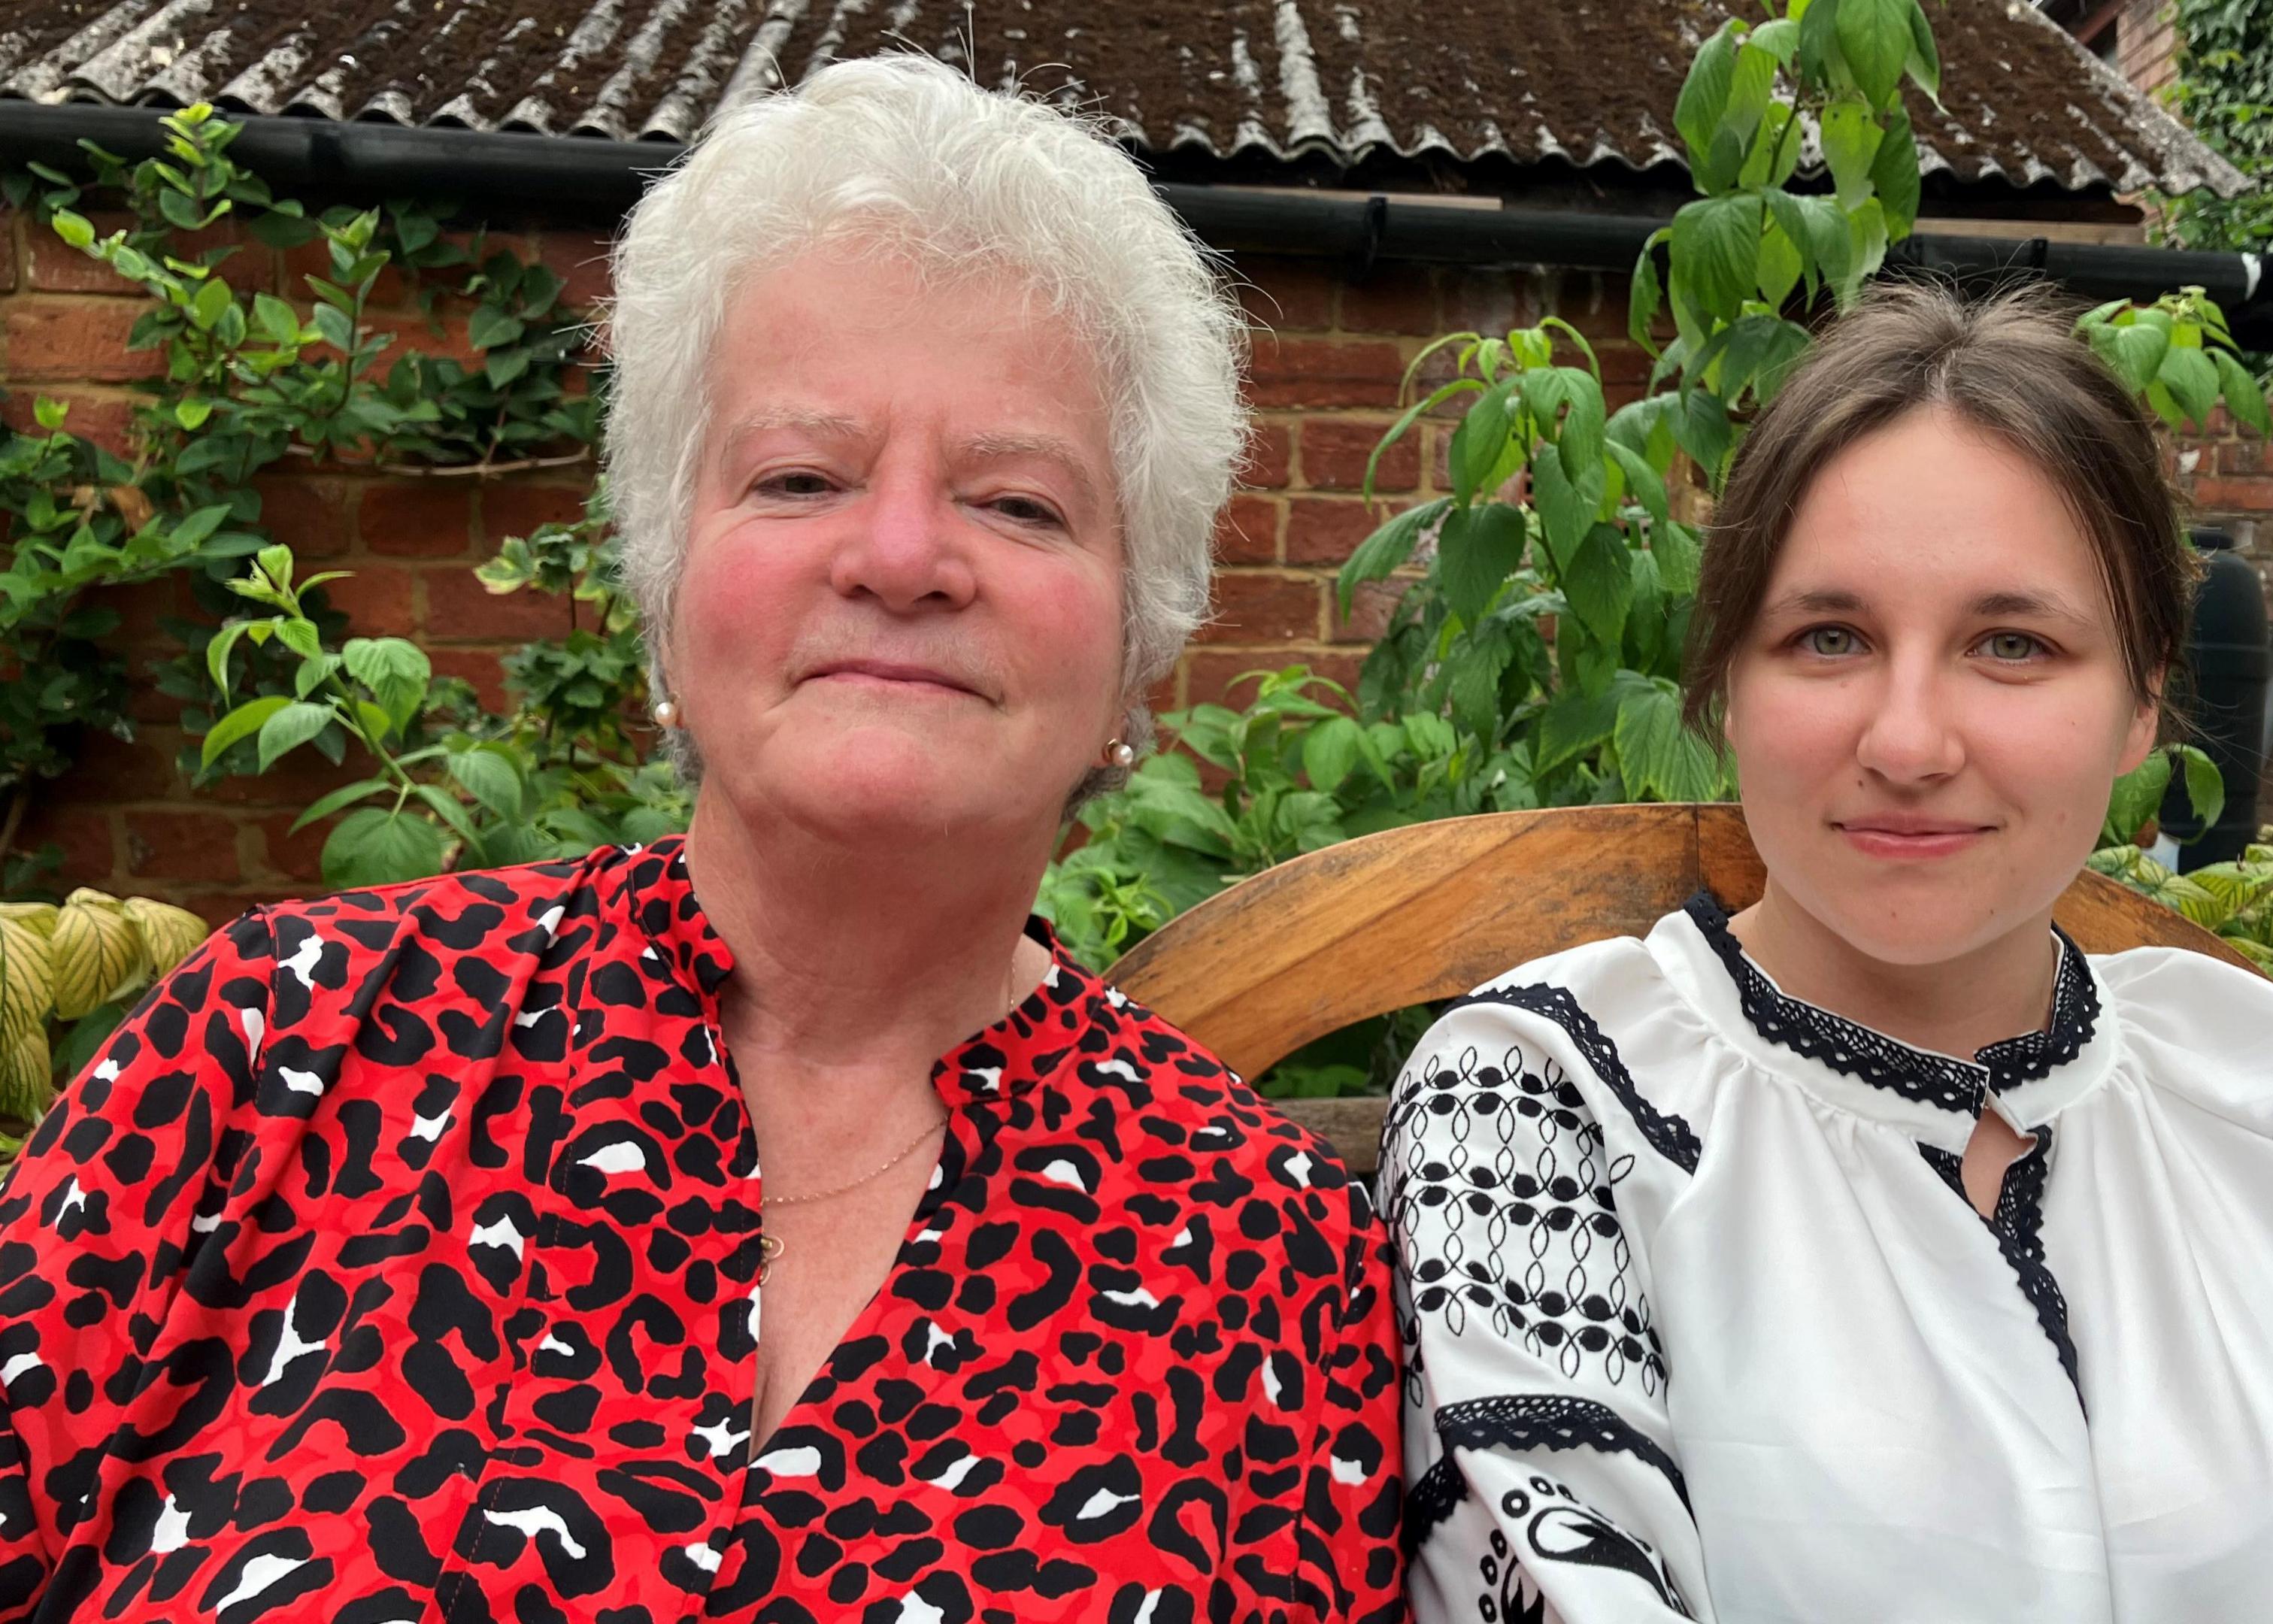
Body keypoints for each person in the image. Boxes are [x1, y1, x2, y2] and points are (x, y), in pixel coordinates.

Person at [0, 56, 1402, 1623]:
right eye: (800, 477)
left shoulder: (1273, 1259)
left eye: (1018, 503)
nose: (900, 554)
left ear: (1137, 649)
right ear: (667, 594)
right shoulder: (282, 1047)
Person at [1380, 283, 2273, 1624]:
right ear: (1730, 684)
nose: (1908, 744)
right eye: (1828, 638)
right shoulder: (1551, 1093)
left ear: (2141, 703)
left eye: (2011, 644)